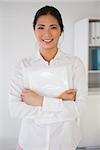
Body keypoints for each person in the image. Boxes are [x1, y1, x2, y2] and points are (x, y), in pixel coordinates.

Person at [9, 5, 87, 150]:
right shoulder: (23, 65)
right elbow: (15, 109)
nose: (47, 34)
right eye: (41, 27)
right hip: (30, 141)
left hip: (65, 142)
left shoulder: (74, 64)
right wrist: (61, 102)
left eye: (53, 27)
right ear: (34, 30)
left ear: (61, 31)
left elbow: (80, 108)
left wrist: (38, 101)